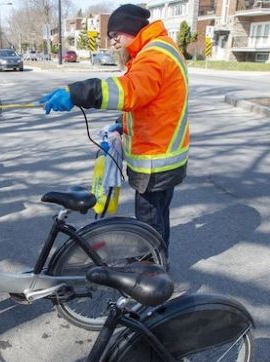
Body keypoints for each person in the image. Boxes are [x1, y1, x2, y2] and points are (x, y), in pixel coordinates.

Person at [39, 4, 189, 255]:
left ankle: (150, 276)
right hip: (165, 155)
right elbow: (152, 101)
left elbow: (127, 90)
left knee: (148, 224)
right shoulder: (159, 50)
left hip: (155, 159)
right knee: (159, 218)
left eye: (115, 35)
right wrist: (122, 125)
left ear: (131, 29)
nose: (113, 42)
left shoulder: (154, 55)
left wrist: (76, 93)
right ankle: (159, 263)